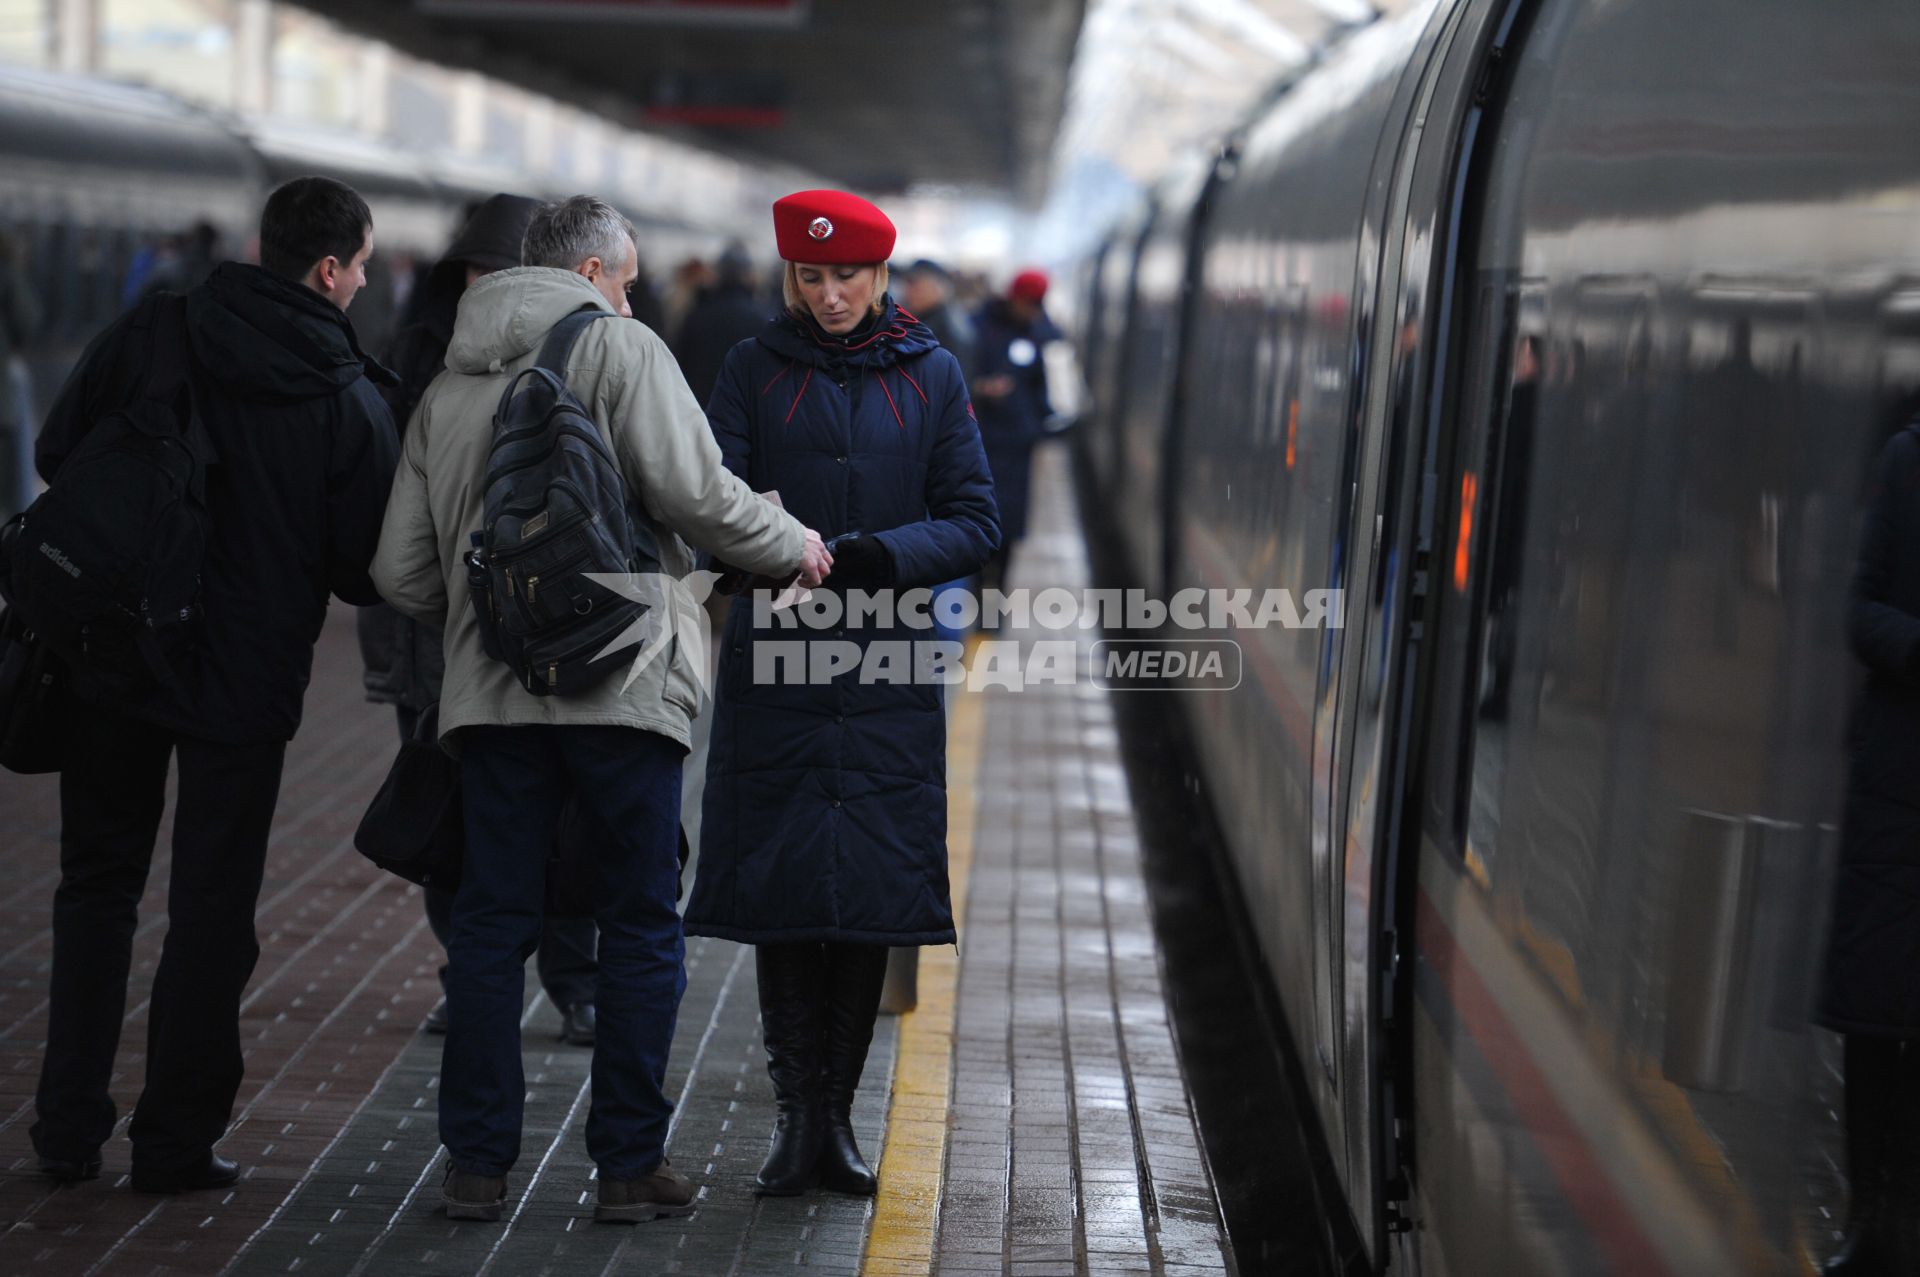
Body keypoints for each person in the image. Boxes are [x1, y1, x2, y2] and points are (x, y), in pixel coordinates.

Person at [370, 194, 831, 1224]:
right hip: (624, 684)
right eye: (623, 280)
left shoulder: (450, 380)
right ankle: (628, 1164)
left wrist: (499, 612)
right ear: (591, 274)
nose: (630, 295)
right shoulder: (625, 353)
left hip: (490, 699)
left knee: (491, 926)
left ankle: (476, 1166)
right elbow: (699, 496)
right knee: (635, 922)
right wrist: (792, 543)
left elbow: (401, 572)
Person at [29, 176, 399, 1193]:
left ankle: (65, 1126)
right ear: (329, 270)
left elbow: (59, 452)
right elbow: (362, 568)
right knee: (211, 905)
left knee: (96, 886)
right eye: (362, 266)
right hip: (241, 678)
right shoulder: (341, 390)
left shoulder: (155, 330)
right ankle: (175, 1140)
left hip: (114, 656)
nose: (364, 282)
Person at [683, 189, 999, 1197]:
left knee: (865, 895)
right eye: (812, 277)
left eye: (847, 277)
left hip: (888, 662)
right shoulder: (751, 367)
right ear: (792, 276)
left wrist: (873, 555)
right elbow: (713, 495)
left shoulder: (932, 374)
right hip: (780, 655)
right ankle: (797, 1120)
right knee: (785, 894)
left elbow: (974, 517)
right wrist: (778, 548)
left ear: (881, 276)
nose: (828, 295)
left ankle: (840, 1121)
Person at [356, 192, 601, 1047]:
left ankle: (576, 982)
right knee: (443, 811)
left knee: (567, 813)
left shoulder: (591, 353)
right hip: (436, 635)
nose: (488, 285)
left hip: (551, 630)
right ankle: (470, 978)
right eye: (476, 269)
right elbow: (386, 510)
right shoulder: (413, 356)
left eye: (502, 269)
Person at [1817, 412, 1920, 1274]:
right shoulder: (1909, 457)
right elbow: (1859, 607)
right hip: (1898, 785)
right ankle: (1869, 1217)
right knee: (1874, 1018)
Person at [971, 269, 1058, 592]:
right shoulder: (979, 328)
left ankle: (993, 612)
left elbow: (1040, 386)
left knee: (1008, 532)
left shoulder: (1036, 332)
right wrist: (980, 390)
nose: (1033, 310)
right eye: (1029, 303)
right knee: (979, 527)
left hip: (1017, 449)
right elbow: (958, 376)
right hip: (981, 445)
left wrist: (1041, 424)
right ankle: (977, 601)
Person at [672, 241, 765, 407]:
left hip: (700, 410)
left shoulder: (697, 316)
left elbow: (678, 366)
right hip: (744, 414)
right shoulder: (762, 318)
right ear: (748, 275)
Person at [901, 258, 973, 369]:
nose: (909, 292)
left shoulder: (949, 329)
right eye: (908, 284)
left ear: (938, 289)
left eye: (917, 286)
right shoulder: (912, 320)